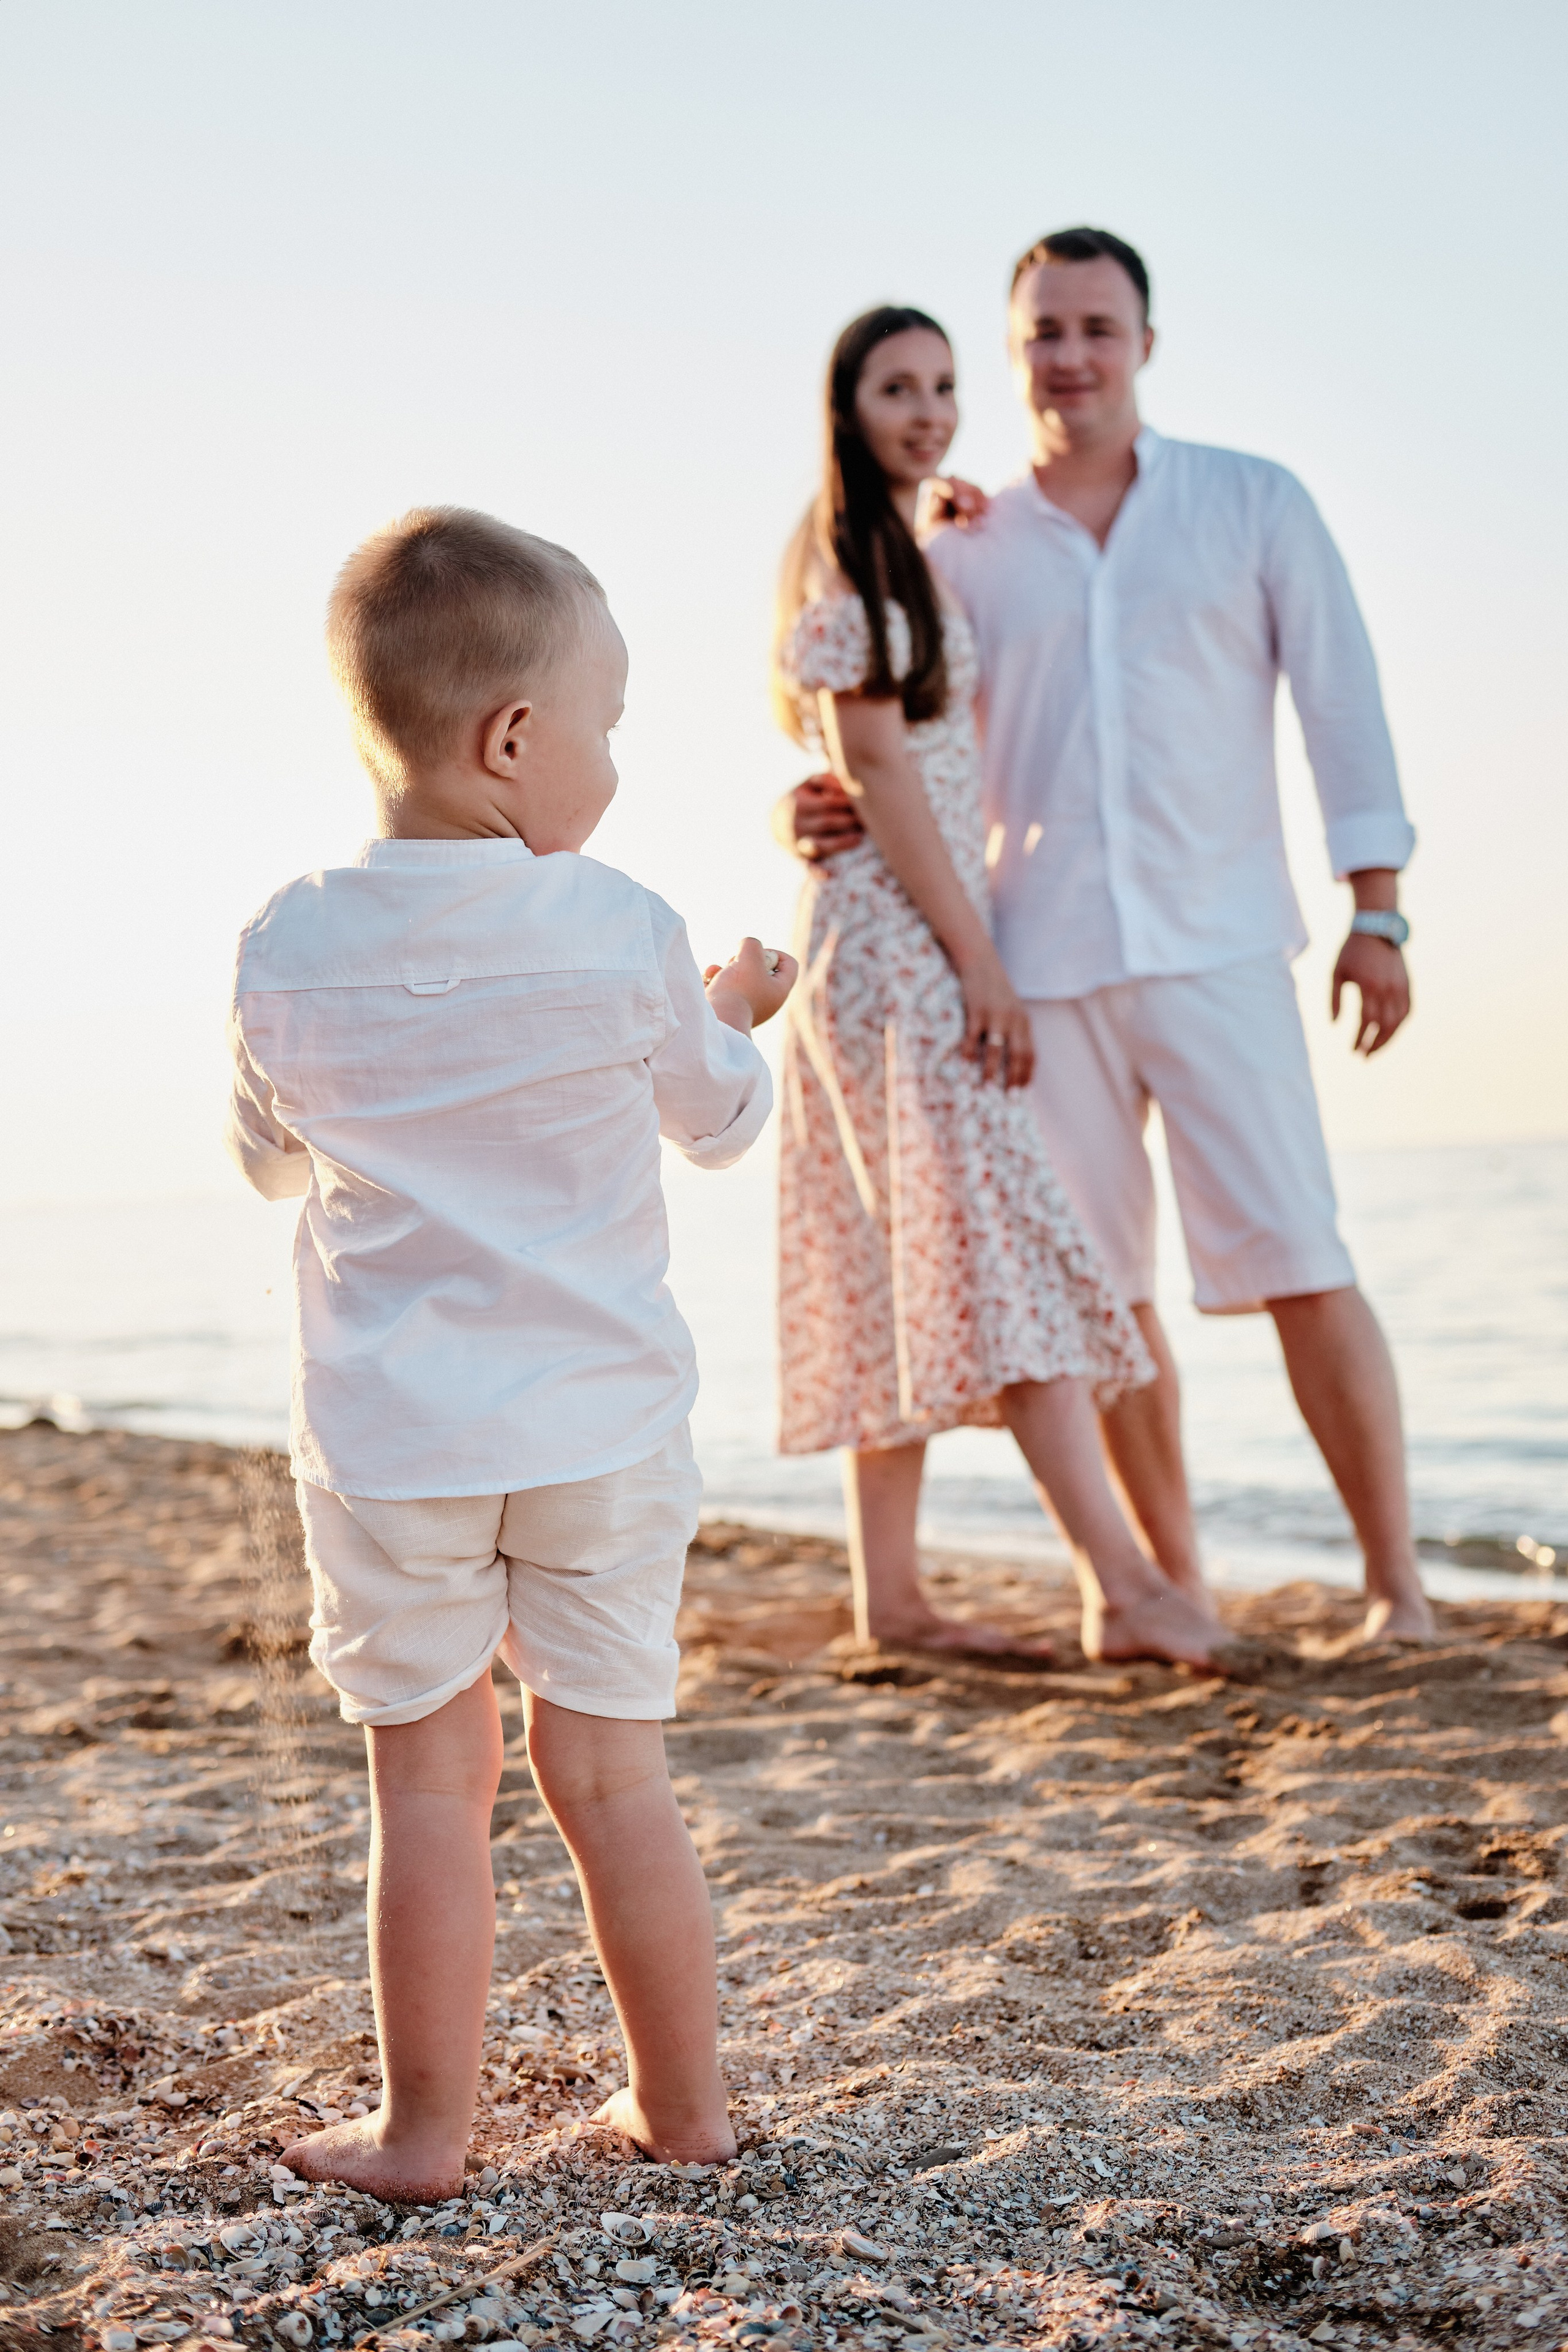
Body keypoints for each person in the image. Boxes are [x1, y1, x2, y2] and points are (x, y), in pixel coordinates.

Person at [225, 507, 796, 2198]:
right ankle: (682, 2113)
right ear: (514, 741)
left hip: (395, 1442)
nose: (612, 764)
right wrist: (735, 1017)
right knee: (612, 1771)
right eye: (606, 728)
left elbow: (268, 1160)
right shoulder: (622, 927)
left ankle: (422, 2132)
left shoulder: (286, 943)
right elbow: (720, 1121)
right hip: (600, 1429)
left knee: (430, 1782)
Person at [786, 230, 1434, 1646]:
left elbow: (1343, 708)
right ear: (1012, 351)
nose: (1067, 356)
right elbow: (894, 721)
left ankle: (1399, 1589)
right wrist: (819, 800)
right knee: (1098, 1298)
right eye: (1042, 333)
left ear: (1144, 339)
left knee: (1301, 1261)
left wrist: (1373, 913)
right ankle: (1157, 1585)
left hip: (1219, 944)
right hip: (1036, 967)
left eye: (1095, 327)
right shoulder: (962, 540)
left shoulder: (1250, 504)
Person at [772, 306, 1232, 1676]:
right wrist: (980, 960)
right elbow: (878, 772)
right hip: (906, 949)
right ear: (845, 407)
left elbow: (868, 759)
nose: (925, 409)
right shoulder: (854, 558)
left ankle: (893, 1600)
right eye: (894, 389)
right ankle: (1126, 1586)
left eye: (941, 386)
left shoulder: (903, 547)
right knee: (1006, 1260)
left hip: (889, 935)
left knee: (897, 1256)